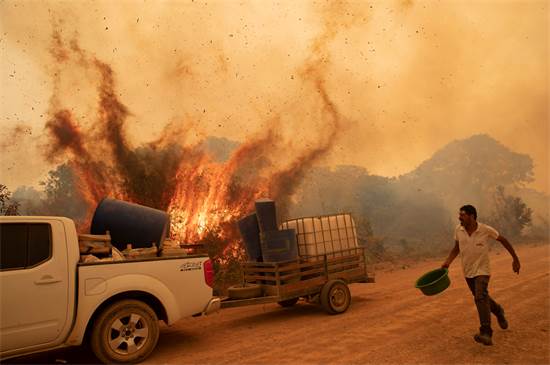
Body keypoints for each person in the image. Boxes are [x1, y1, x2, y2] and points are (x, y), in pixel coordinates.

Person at [442, 204, 521, 346]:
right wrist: (447, 263)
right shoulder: (458, 230)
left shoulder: (485, 229)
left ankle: (486, 332)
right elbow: (456, 248)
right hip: (467, 271)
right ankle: (498, 310)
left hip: (482, 270)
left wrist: (515, 259)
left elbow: (503, 240)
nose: (459, 217)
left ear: (472, 216)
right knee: (482, 297)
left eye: (463, 214)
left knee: (479, 296)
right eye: (459, 214)